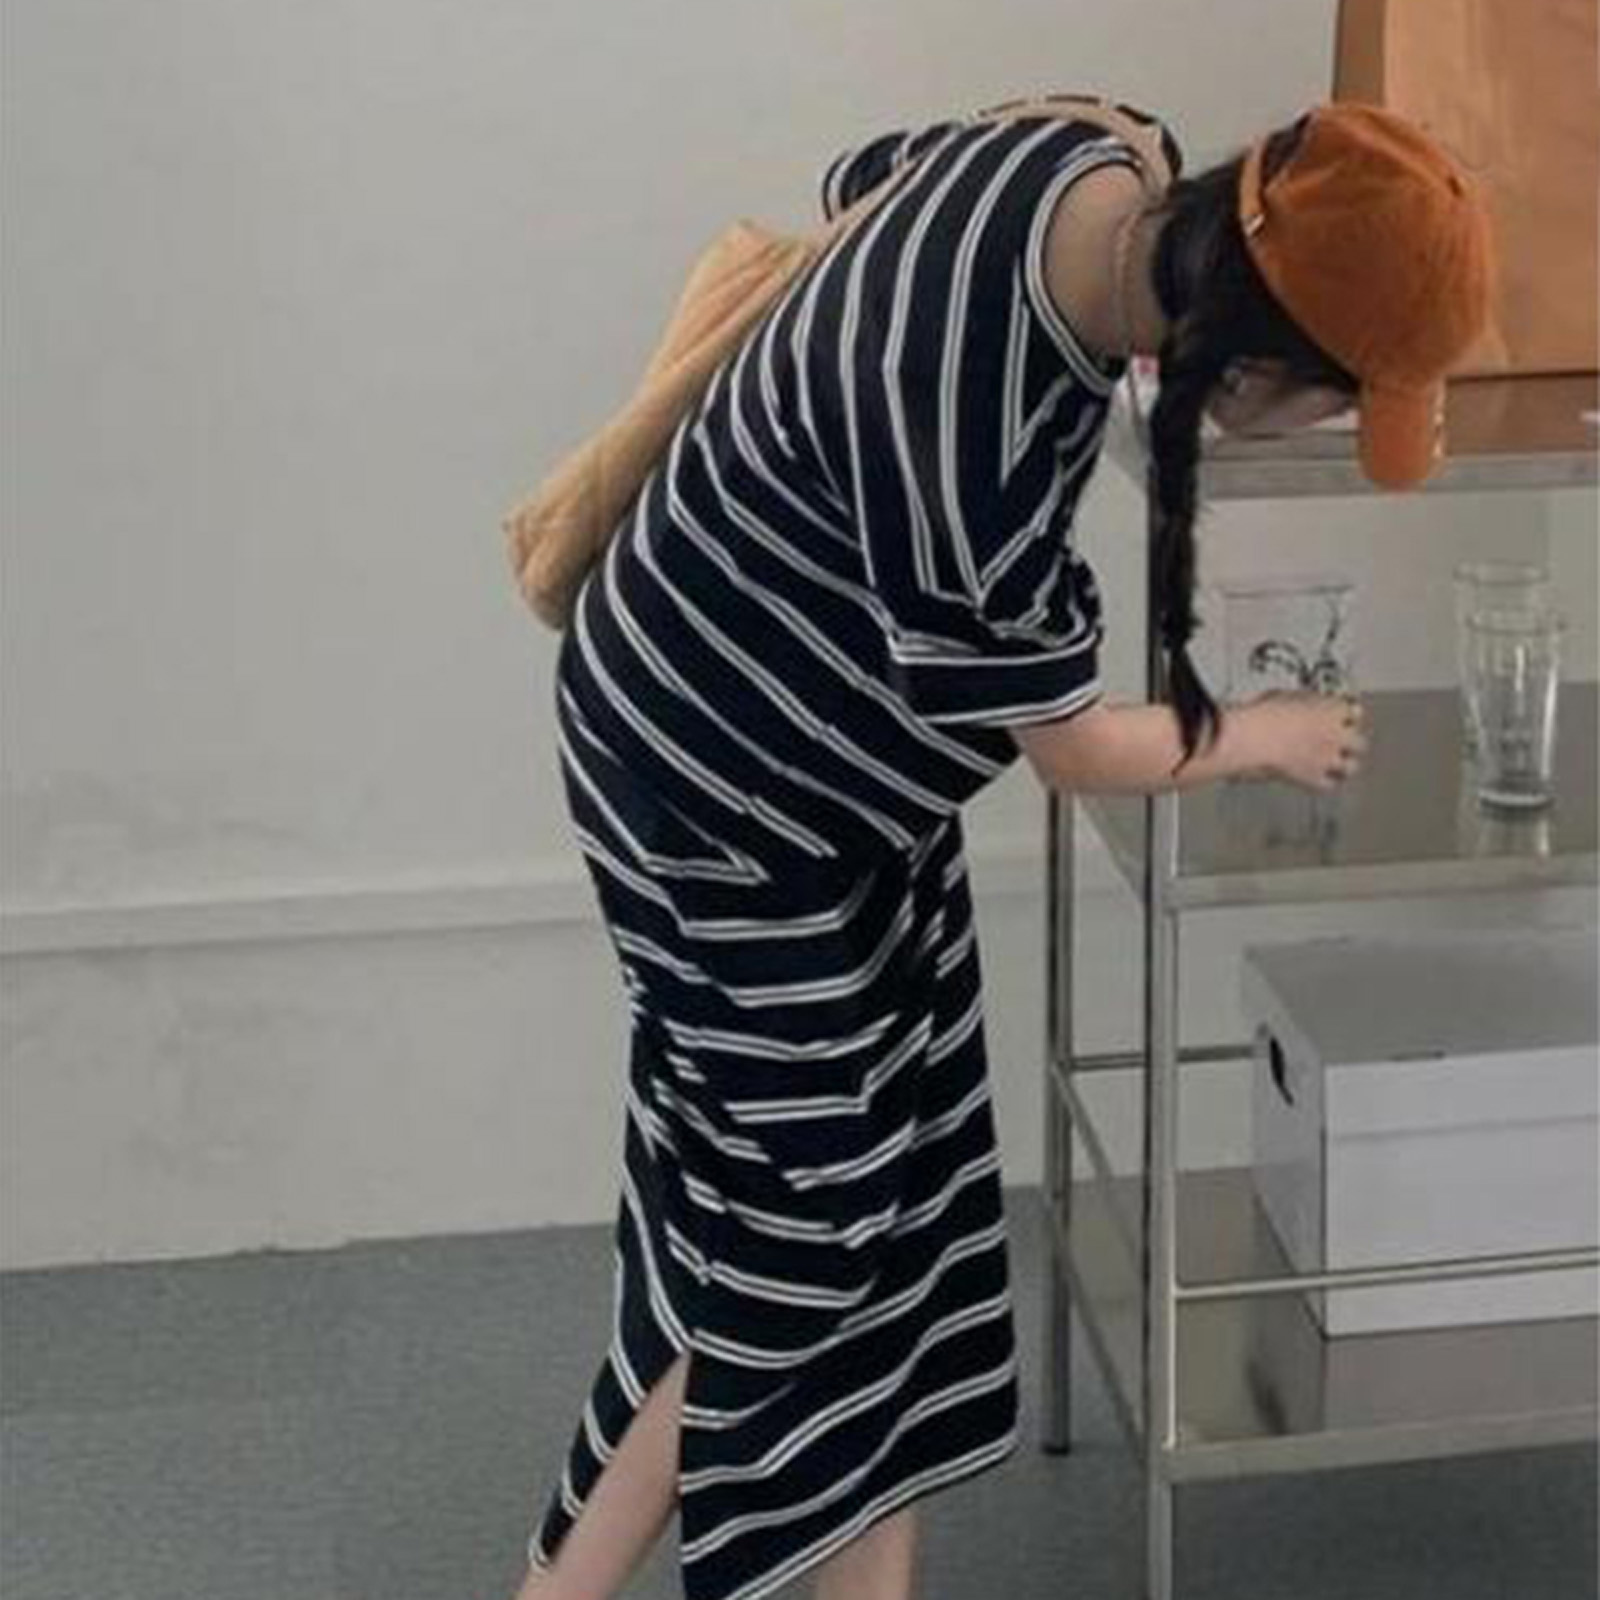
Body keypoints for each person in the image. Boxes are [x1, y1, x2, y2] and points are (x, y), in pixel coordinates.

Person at [512, 94, 1494, 1600]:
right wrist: (1265, 734)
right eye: (1336, 406)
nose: (1325, 436)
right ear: (1253, 363)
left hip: (832, 789)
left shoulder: (1091, 152)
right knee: (803, 1231)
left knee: (899, 1188)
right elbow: (1079, 749)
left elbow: (860, 178)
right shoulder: (964, 430)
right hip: (715, 795)